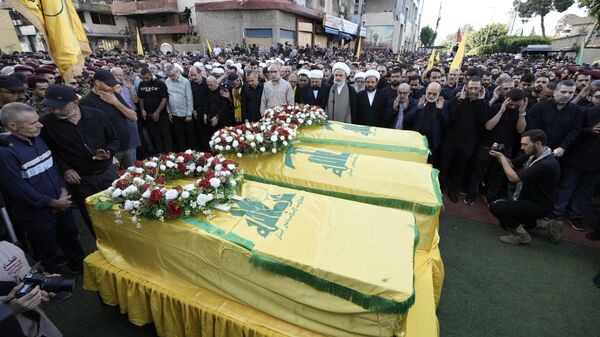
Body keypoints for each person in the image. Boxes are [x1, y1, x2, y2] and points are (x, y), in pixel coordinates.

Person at [0, 102, 84, 274]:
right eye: (33, 123)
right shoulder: (5, 153)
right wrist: (52, 202)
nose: (40, 125)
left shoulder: (38, 138)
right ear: (13, 126)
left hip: (61, 202)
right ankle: (54, 281)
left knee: (70, 238)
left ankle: (79, 267)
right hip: (37, 213)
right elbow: (17, 189)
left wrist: (62, 190)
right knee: (46, 250)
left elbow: (53, 168)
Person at [39, 84, 119, 237]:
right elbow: (50, 152)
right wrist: (65, 169)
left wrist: (109, 153)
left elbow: (114, 140)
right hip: (81, 181)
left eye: (60, 107)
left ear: (75, 102)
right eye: (52, 107)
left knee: (118, 208)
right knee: (93, 217)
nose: (56, 111)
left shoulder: (98, 115)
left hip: (107, 174)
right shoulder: (47, 124)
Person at [488, 129, 562, 245]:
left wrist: (501, 158)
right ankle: (548, 225)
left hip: (539, 205)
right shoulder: (534, 155)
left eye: (525, 144)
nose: (522, 147)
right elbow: (511, 163)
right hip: (528, 199)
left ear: (538, 143)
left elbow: (513, 177)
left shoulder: (547, 164)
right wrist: (499, 155)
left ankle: (521, 236)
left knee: (496, 207)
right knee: (505, 222)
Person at [466, 88, 528, 205]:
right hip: (488, 145)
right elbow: (488, 126)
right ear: (506, 99)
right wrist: (501, 111)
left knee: (498, 174)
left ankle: (491, 195)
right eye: (511, 104)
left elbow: (521, 130)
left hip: (506, 147)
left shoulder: (520, 111)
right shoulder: (495, 107)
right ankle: (472, 193)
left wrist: (521, 113)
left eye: (516, 105)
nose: (513, 107)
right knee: (479, 171)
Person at [551, 87, 600, 230]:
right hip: (577, 157)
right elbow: (574, 132)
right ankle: (556, 211)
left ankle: (576, 215)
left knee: (586, 190)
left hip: (597, 162)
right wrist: (590, 130)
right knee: (567, 186)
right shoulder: (586, 112)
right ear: (591, 98)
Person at [439, 77, 489, 202]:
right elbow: (451, 117)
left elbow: (482, 120)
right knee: (444, 165)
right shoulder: (457, 100)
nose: (473, 90)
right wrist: (460, 101)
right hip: (451, 139)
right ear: (466, 87)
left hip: (467, 143)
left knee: (459, 168)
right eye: (471, 87)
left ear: (480, 89)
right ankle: (439, 187)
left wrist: (480, 102)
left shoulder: (483, 103)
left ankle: (453, 190)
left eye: (476, 88)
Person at [0, 240, 62, 337]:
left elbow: (39, 273)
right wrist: (9, 309)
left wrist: (47, 282)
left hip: (39, 328)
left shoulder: (7, 248)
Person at [79, 69, 137, 169]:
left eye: (113, 84)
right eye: (109, 85)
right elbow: (92, 132)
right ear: (97, 83)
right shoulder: (86, 102)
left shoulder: (114, 95)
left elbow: (133, 117)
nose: (113, 87)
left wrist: (116, 103)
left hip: (126, 146)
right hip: (110, 152)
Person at [526, 80, 583, 157]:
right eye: (563, 92)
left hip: (562, 153)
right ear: (555, 92)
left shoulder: (577, 111)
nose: (567, 95)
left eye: (571, 93)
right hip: (538, 151)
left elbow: (574, 131)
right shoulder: (539, 107)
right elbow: (532, 128)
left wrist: (563, 147)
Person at [405, 82, 447, 167]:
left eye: (434, 94)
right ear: (426, 92)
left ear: (439, 94)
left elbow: (446, 122)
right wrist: (417, 108)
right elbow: (407, 118)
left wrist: (439, 110)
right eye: (429, 93)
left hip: (433, 144)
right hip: (416, 142)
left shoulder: (444, 104)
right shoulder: (418, 102)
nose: (431, 96)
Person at [138, 67, 171, 153]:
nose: (145, 80)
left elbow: (164, 98)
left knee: (165, 134)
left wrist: (158, 112)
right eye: (143, 78)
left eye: (147, 78)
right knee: (155, 135)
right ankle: (160, 152)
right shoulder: (141, 84)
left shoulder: (160, 84)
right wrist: (142, 109)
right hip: (148, 114)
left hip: (162, 114)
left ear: (151, 75)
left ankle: (168, 152)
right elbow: (141, 98)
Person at [165, 63, 195, 151]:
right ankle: (182, 153)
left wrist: (189, 114)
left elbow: (189, 98)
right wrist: (169, 112)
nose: (171, 77)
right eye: (169, 75)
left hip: (185, 113)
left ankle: (191, 152)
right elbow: (167, 97)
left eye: (173, 75)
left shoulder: (185, 82)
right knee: (179, 135)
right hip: (174, 114)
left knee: (190, 135)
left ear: (177, 72)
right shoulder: (167, 81)